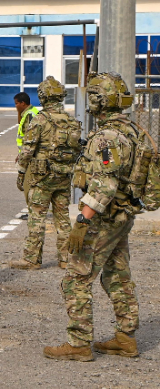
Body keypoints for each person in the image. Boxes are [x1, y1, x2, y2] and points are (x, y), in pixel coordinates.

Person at [45, 72, 140, 362]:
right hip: (123, 215)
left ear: (99, 101)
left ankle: (79, 343)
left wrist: (83, 221)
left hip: (103, 218)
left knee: (75, 278)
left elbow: (105, 186)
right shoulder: (132, 130)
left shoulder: (106, 138)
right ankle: (125, 337)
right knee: (117, 274)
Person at [10, 77, 80, 271]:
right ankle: (65, 259)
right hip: (64, 175)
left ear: (42, 97)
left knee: (37, 217)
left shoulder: (40, 120)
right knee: (63, 218)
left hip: (41, 177)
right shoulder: (71, 121)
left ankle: (32, 259)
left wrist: (21, 173)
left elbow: (27, 149)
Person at [14, 92, 39, 220]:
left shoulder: (29, 115)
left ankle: (32, 214)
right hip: (28, 154)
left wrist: (23, 156)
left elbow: (29, 139)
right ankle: (32, 212)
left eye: (17, 104)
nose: (16, 106)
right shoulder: (29, 112)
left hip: (30, 157)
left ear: (23, 103)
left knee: (28, 185)